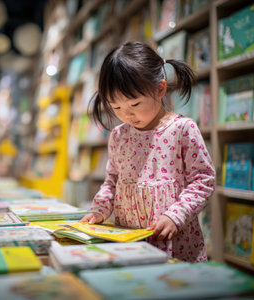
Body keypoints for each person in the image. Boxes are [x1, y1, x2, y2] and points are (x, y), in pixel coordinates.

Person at [80, 41, 215, 263]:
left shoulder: (183, 129)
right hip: (130, 244)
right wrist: (99, 211)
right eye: (116, 107)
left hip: (175, 245)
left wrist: (175, 215)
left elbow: (203, 180)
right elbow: (112, 181)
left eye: (134, 104)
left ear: (160, 89)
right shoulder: (118, 136)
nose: (126, 114)